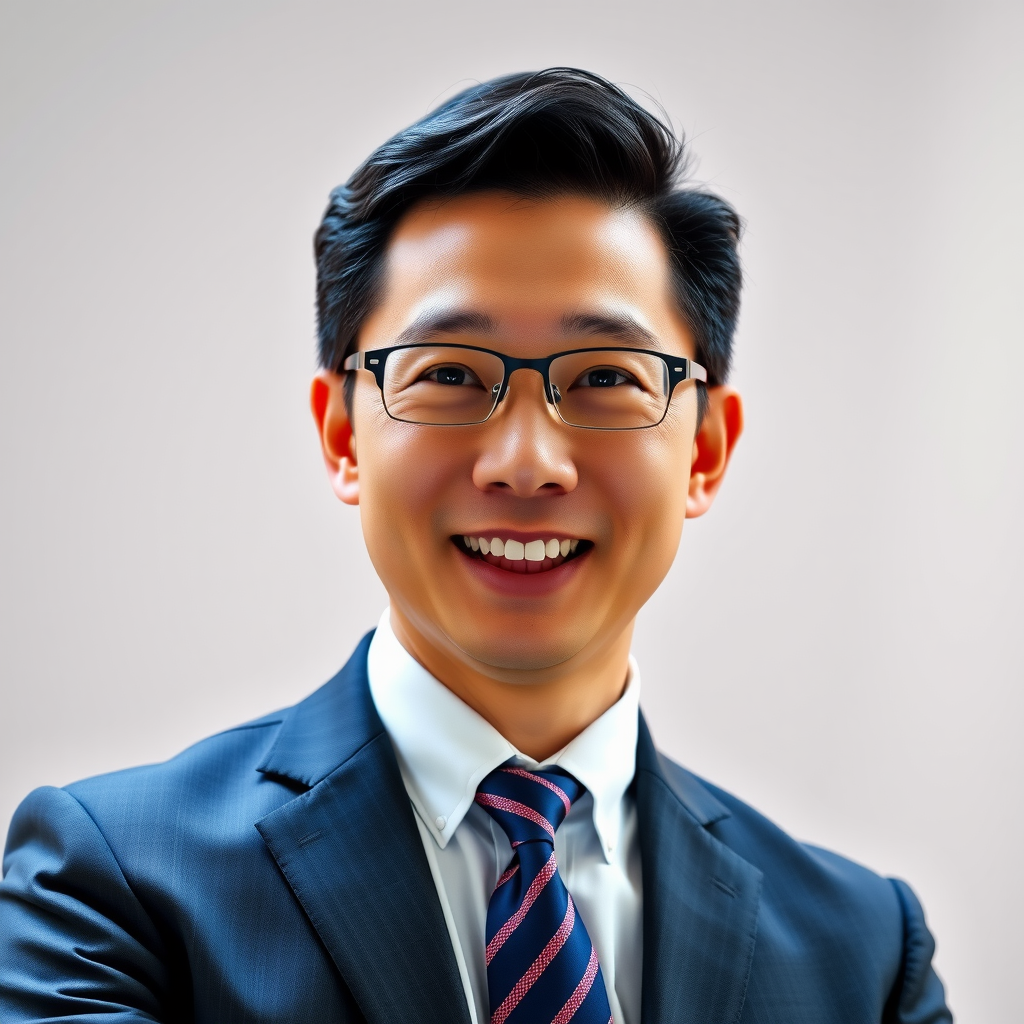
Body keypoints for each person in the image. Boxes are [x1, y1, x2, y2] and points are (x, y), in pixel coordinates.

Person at [0, 68, 951, 1023]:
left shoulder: (863, 955)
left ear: (703, 449)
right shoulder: (112, 885)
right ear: (342, 436)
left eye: (605, 377)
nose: (528, 464)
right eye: (450, 371)